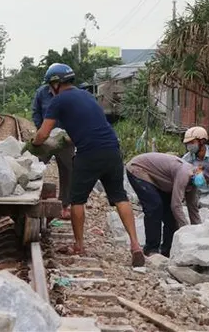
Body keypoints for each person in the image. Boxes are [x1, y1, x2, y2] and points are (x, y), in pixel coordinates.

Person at [29, 63, 145, 267]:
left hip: (89, 154)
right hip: (112, 150)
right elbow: (89, 126)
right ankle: (135, 245)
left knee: (77, 200)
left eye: (50, 85)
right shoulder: (87, 96)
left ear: (56, 83)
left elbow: (44, 133)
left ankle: (79, 245)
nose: (49, 90)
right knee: (119, 196)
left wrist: (34, 144)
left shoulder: (58, 101)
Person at [125, 152, 209, 257]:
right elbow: (176, 205)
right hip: (138, 169)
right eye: (205, 178)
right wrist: (186, 231)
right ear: (199, 169)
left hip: (157, 179)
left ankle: (167, 251)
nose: (204, 182)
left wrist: (198, 235)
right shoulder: (185, 173)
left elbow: (193, 210)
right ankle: (151, 249)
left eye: (207, 182)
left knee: (171, 216)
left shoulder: (192, 184)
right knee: (155, 207)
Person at [32, 81, 75, 219]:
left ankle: (65, 205)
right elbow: (36, 111)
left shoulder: (70, 92)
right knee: (35, 167)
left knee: (68, 171)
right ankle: (34, 200)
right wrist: (41, 130)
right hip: (46, 138)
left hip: (66, 139)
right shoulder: (42, 93)